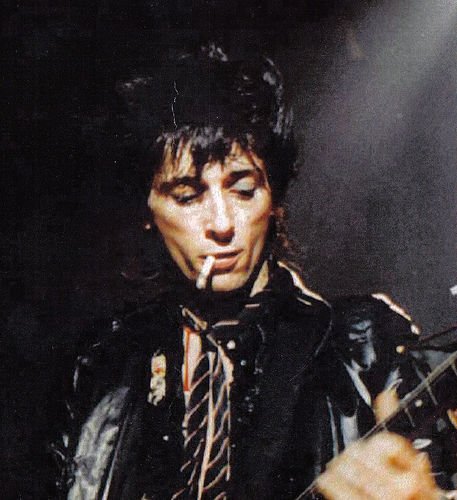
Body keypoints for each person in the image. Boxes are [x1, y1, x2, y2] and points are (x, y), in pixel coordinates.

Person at [49, 44, 456, 499]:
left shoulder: (364, 345)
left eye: (243, 190)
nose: (222, 224)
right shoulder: (104, 364)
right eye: (187, 196)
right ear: (148, 210)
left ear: (274, 198)